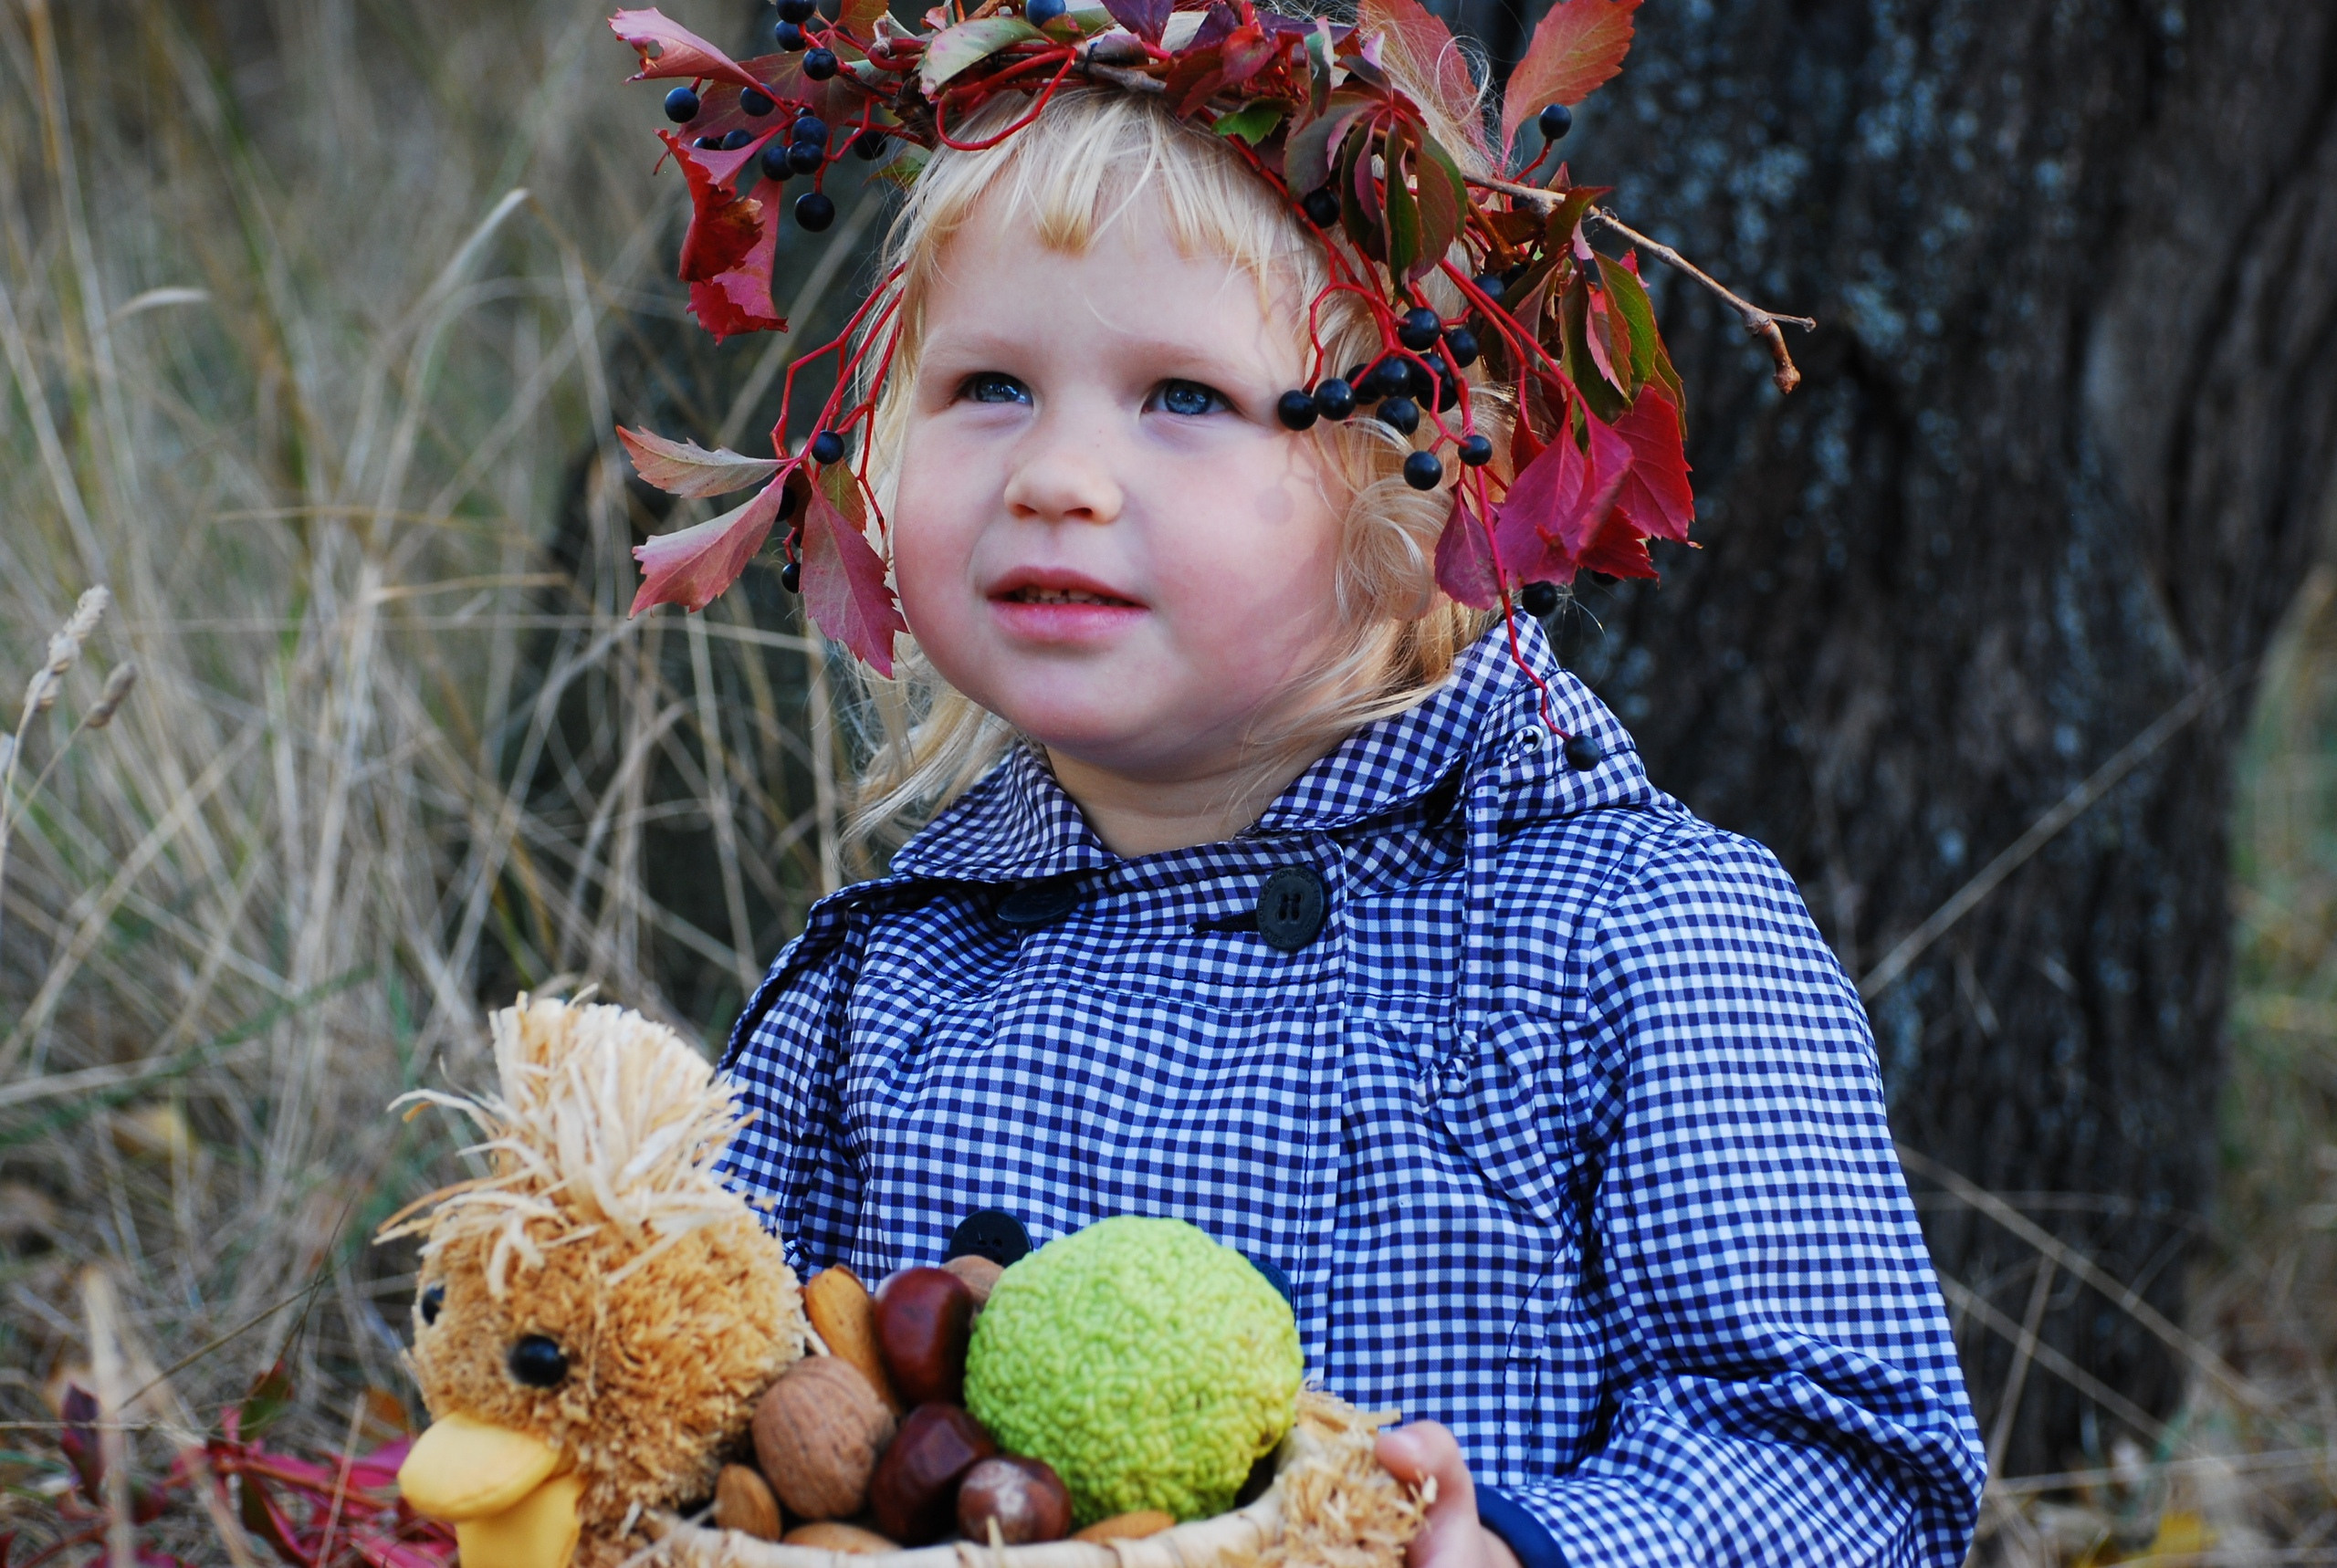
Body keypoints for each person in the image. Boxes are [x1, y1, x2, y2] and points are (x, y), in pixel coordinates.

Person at [657, 16, 1987, 1565]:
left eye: (1184, 399)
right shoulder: (886, 972)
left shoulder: (1637, 935)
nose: (1057, 475)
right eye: (990, 386)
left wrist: (1531, 1552)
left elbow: (1854, 1456)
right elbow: (713, 1399)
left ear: (1411, 468)